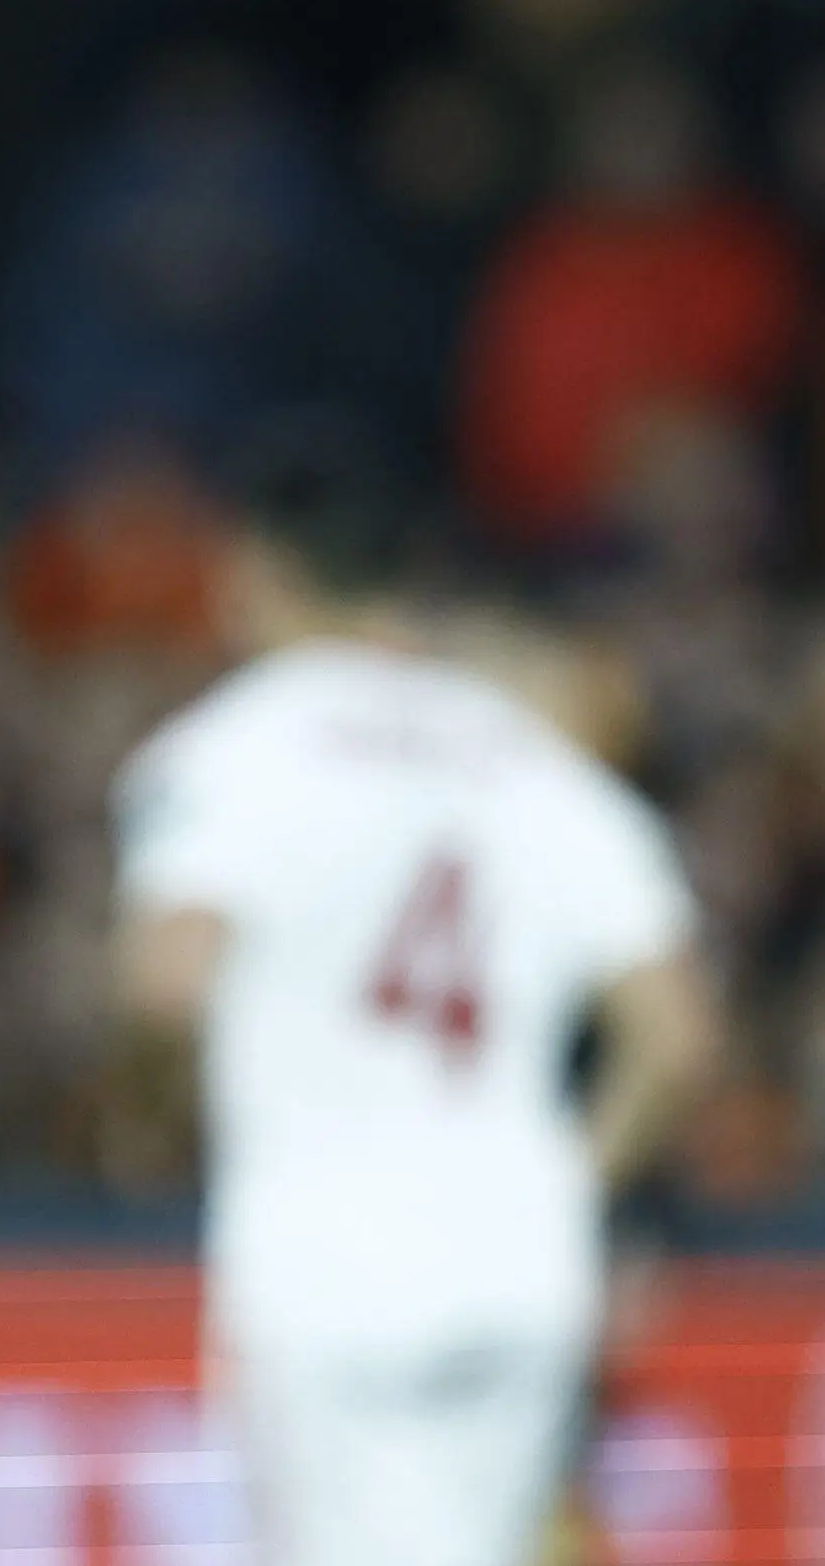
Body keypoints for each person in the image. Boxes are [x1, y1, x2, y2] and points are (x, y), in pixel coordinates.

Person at [113, 573, 718, 1566]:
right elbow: (676, 1037)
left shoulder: (300, 771)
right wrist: (573, 1186)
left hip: (346, 1256)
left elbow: (167, 984)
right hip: (528, 1255)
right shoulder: (550, 800)